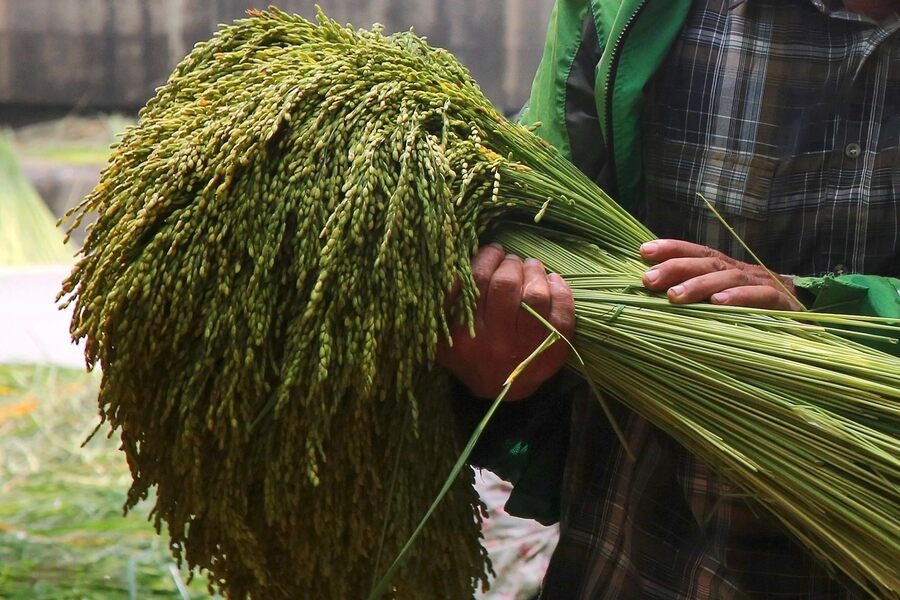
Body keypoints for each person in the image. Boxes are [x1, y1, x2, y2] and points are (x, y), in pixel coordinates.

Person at [440, 0, 900, 597]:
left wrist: (835, 310)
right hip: (640, 558)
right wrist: (502, 346)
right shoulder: (633, 13)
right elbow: (530, 220)